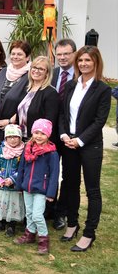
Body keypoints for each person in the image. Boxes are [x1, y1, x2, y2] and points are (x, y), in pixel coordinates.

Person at [58, 46, 111, 252]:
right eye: (80, 60)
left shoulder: (103, 89)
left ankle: (89, 233)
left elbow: (99, 121)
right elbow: (63, 114)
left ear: (96, 62)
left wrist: (80, 140)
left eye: (88, 60)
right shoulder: (72, 85)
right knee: (70, 184)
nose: (83, 64)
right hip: (68, 142)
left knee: (92, 190)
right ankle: (72, 224)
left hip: (90, 145)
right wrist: (64, 135)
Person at [16, 119, 60, 255]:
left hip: (42, 190)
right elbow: (21, 167)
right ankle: (29, 234)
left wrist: (51, 193)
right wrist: (19, 184)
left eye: (42, 133)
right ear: (32, 133)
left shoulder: (52, 153)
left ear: (48, 135)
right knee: (29, 213)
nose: (39, 136)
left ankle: (43, 240)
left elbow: (54, 174)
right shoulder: (27, 149)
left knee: (37, 215)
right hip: (27, 188)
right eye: (36, 132)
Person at [0, 40, 31, 147]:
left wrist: (9, 121)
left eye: (20, 54)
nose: (15, 57)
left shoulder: (31, 76)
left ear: (27, 57)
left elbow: (29, 103)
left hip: (14, 131)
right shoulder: (3, 72)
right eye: (13, 54)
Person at [0, 124, 25, 236]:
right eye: (10, 137)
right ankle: (1, 222)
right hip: (1, 185)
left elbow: (23, 168)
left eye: (15, 137)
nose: (13, 139)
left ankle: (11, 225)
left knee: (12, 204)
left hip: (13, 186)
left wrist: (12, 179)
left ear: (20, 138)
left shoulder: (23, 152)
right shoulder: (1, 150)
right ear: (6, 138)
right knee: (2, 203)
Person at [17, 56, 59, 140]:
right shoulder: (27, 89)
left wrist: (37, 139)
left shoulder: (51, 93)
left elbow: (49, 122)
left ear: (47, 73)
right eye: (34, 67)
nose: (36, 71)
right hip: (22, 139)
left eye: (41, 69)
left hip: (38, 141)